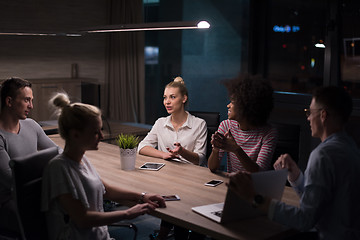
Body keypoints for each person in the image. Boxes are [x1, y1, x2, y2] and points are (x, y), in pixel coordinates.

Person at [228, 86, 360, 239]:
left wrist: (255, 197)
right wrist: (296, 176)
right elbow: (320, 201)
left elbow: (304, 220)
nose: (308, 118)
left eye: (310, 112)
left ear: (323, 115)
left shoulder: (323, 156)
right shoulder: (350, 147)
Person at [41, 93, 166, 240]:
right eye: (95, 132)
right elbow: (82, 219)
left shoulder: (82, 160)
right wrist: (128, 213)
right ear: (75, 135)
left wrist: (142, 196)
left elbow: (105, 189)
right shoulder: (59, 168)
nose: (101, 136)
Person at [0, 77, 58, 233]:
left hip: (35, 192)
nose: (31, 106)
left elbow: (57, 153)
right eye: (26, 100)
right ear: (9, 101)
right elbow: (13, 180)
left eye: (31, 100)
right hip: (9, 202)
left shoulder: (31, 125)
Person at [208, 75, 277, 173]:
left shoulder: (268, 133)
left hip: (257, 186)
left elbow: (259, 172)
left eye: (232, 102)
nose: (228, 105)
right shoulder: (226, 125)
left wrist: (236, 149)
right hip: (233, 184)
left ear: (246, 106)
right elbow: (212, 167)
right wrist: (216, 149)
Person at [138, 76, 207, 165]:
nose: (167, 102)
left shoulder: (199, 124)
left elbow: (200, 160)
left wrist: (182, 151)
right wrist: (164, 154)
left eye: (172, 97)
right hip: (166, 172)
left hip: (190, 174)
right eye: (165, 97)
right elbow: (141, 147)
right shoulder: (160, 123)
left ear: (184, 98)